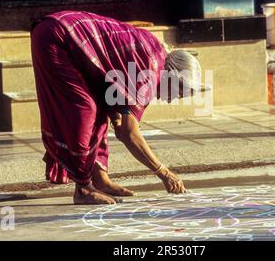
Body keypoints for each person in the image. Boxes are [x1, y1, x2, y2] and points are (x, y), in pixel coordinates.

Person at [31, 11, 203, 205]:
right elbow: (130, 134)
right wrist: (164, 172)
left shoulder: (155, 57)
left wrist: (117, 118)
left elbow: (115, 100)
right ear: (173, 78)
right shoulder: (151, 71)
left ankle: (100, 179)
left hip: (58, 32)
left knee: (102, 106)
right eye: (177, 94)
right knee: (86, 110)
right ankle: (83, 189)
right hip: (57, 38)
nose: (171, 100)